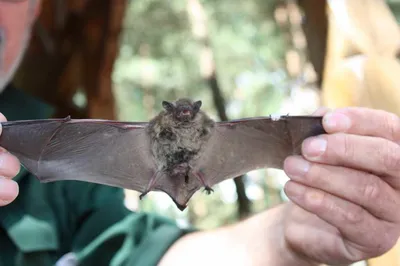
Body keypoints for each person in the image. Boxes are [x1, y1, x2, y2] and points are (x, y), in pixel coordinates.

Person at [2, 1, 400, 265]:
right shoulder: (47, 143)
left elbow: (145, 254)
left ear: (37, 8)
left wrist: (287, 235)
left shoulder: (68, 178)